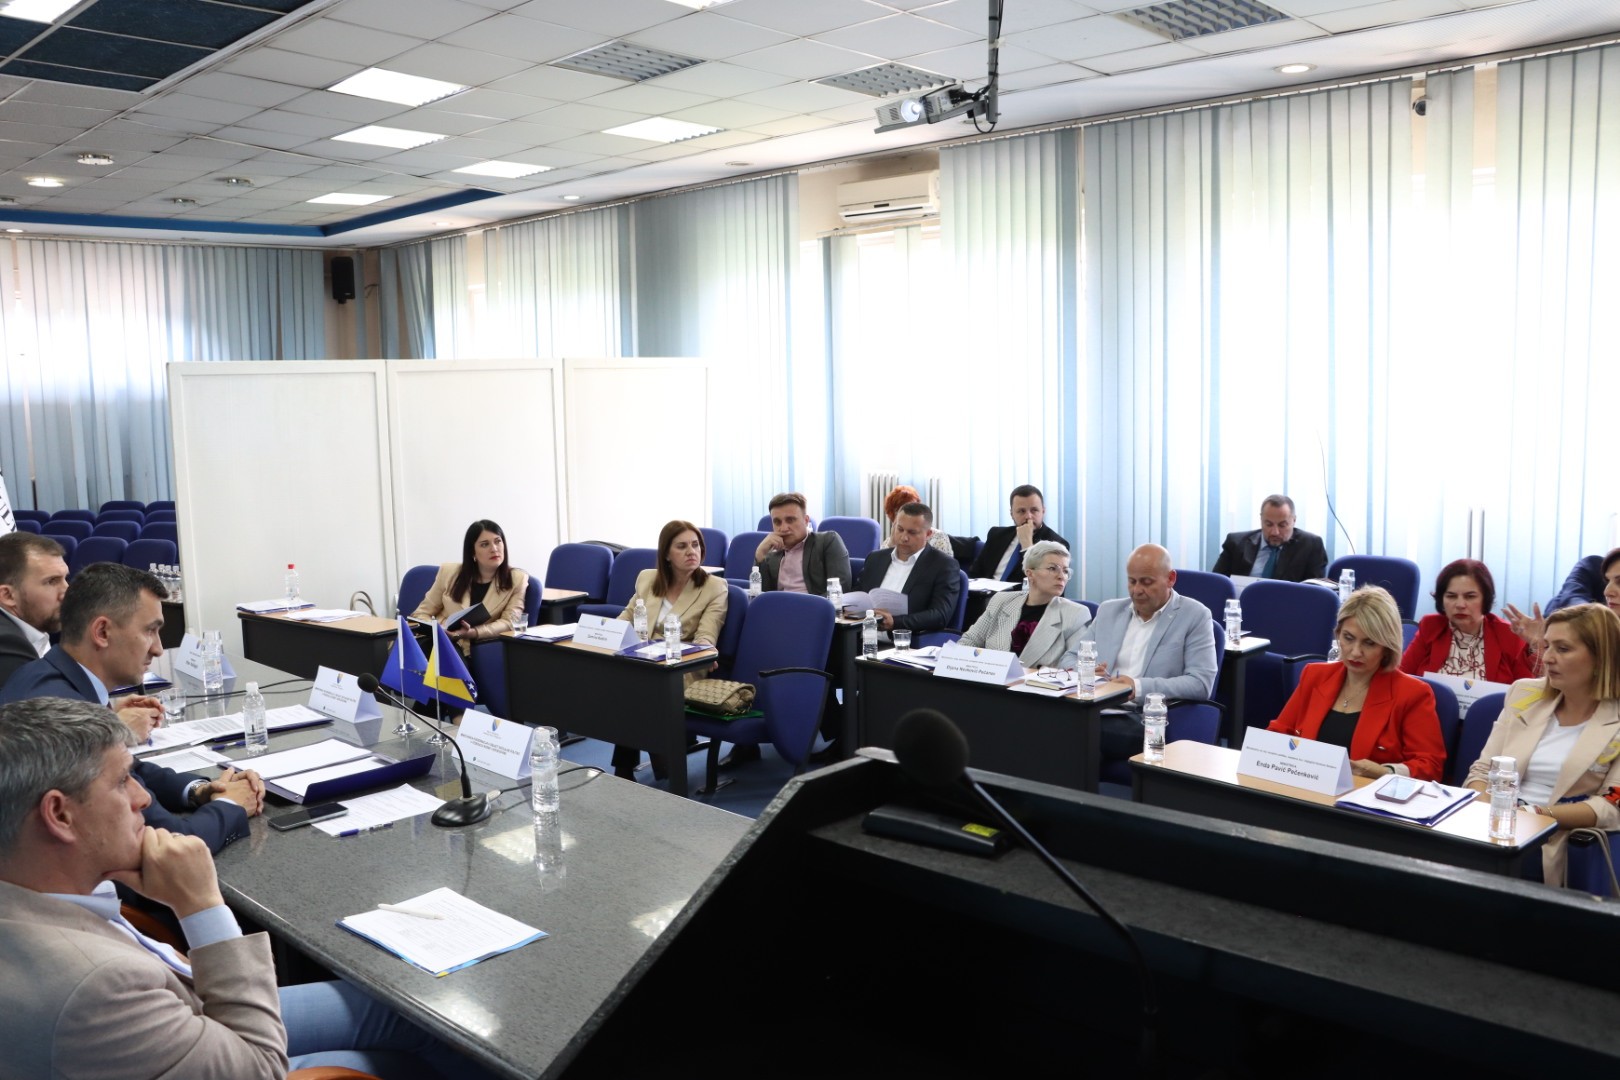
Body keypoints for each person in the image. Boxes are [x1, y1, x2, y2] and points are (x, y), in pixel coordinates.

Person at [0, 696, 499, 1079]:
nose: (142, 798)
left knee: (401, 1013)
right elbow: (258, 1068)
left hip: (176, 1013)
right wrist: (201, 905)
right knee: (415, 1057)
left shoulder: (27, 890)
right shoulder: (97, 987)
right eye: (121, 782)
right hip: (220, 1041)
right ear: (59, 814)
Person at [0, 562, 262, 852]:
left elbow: (129, 769)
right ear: (102, 632)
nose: (158, 649)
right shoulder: (69, 718)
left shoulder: (47, 677)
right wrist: (231, 805)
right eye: (150, 631)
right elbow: (169, 842)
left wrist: (199, 790)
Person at [1463, 603, 1620, 886]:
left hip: (1557, 838)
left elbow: (1610, 806)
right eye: (1546, 646)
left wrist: (1535, 815)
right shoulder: (1524, 693)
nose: (1547, 658)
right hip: (1495, 825)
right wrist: (1489, 814)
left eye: (1563, 649)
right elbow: (1483, 770)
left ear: (1600, 657)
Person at [1267, 586, 1446, 780]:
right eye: (1348, 638)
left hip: (1367, 794)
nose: (1355, 652)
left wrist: (1386, 772)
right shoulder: (1315, 675)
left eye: (1369, 643)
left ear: (1387, 646)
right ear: (1338, 634)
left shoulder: (1413, 693)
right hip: (1306, 787)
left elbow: (1430, 765)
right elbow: (1278, 733)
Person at [611, 521, 729, 780]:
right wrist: (603, 634)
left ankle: (625, 768)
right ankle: (653, 756)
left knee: (635, 685)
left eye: (695, 545)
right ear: (666, 554)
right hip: (641, 660)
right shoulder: (647, 579)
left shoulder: (714, 587)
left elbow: (706, 635)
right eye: (682, 546)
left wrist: (706, 650)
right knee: (625, 679)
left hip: (681, 667)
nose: (691, 552)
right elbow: (626, 617)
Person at [1081, 545, 1220, 760]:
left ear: (1171, 579)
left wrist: (1136, 687)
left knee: (1080, 732)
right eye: (1132, 581)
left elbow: (1200, 684)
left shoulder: (1195, 615)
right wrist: (1086, 671)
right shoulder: (1109, 610)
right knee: (1052, 722)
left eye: (1146, 582)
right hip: (1098, 709)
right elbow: (1070, 657)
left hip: (1146, 718)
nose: (1137, 590)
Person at [1399, 558, 1537, 683]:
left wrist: (1537, 646)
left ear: (1485, 599)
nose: (1460, 605)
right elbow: (1401, 677)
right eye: (1451, 596)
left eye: (1470, 597)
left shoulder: (1508, 634)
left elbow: (1528, 691)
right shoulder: (1431, 626)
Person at [956, 541, 1090, 668]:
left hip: (1037, 684)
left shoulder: (1075, 614)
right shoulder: (1002, 601)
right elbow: (968, 641)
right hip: (992, 680)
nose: (1061, 576)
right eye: (1052, 568)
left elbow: (1076, 663)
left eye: (1065, 571)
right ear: (1030, 574)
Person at [411, 519, 530, 657]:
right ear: (472, 552)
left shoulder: (517, 579)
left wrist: (472, 633)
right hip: (440, 641)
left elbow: (509, 622)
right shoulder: (448, 572)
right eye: (485, 544)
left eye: (498, 541)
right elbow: (420, 614)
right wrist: (439, 630)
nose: (494, 548)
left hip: (474, 649)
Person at [854, 502, 961, 635]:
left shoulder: (943, 565)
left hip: (905, 641)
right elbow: (858, 596)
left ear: (928, 534)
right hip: (860, 638)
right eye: (900, 529)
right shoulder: (875, 559)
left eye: (912, 532)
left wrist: (895, 622)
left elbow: (940, 615)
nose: (904, 537)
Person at [1505, 546, 1620, 658]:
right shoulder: (1592, 566)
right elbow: (1572, 595)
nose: (1607, 591)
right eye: (1607, 581)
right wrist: (1542, 647)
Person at [0, 531, 68, 688]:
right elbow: (46, 701)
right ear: (8, 595)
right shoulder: (7, 644)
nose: (67, 592)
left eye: (65, 578)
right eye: (52, 581)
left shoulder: (32, 623)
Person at [968, 484, 1069, 585]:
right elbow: (974, 574)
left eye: (1034, 510)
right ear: (1012, 514)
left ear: (1043, 511)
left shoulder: (1056, 544)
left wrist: (1027, 547)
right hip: (986, 593)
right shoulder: (997, 535)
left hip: (1020, 595)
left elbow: (1042, 586)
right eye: (1021, 511)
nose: (1028, 516)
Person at [754, 492, 851, 597]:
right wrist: (760, 555)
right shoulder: (772, 554)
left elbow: (841, 587)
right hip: (780, 606)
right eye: (777, 522)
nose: (783, 528)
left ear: (806, 520)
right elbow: (761, 595)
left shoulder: (827, 541)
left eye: (790, 520)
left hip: (815, 606)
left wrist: (805, 605)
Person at [1212, 494, 1328, 582]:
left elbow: (1315, 593)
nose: (1275, 532)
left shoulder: (1311, 545)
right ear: (1261, 520)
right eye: (1268, 524)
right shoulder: (1236, 543)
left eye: (1282, 525)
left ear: (1294, 520)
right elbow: (1216, 584)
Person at [879, 484, 952, 555]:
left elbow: (943, 562)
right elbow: (879, 562)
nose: (906, 516)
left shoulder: (938, 538)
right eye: (899, 511)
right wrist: (892, 545)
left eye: (911, 510)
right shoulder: (888, 543)